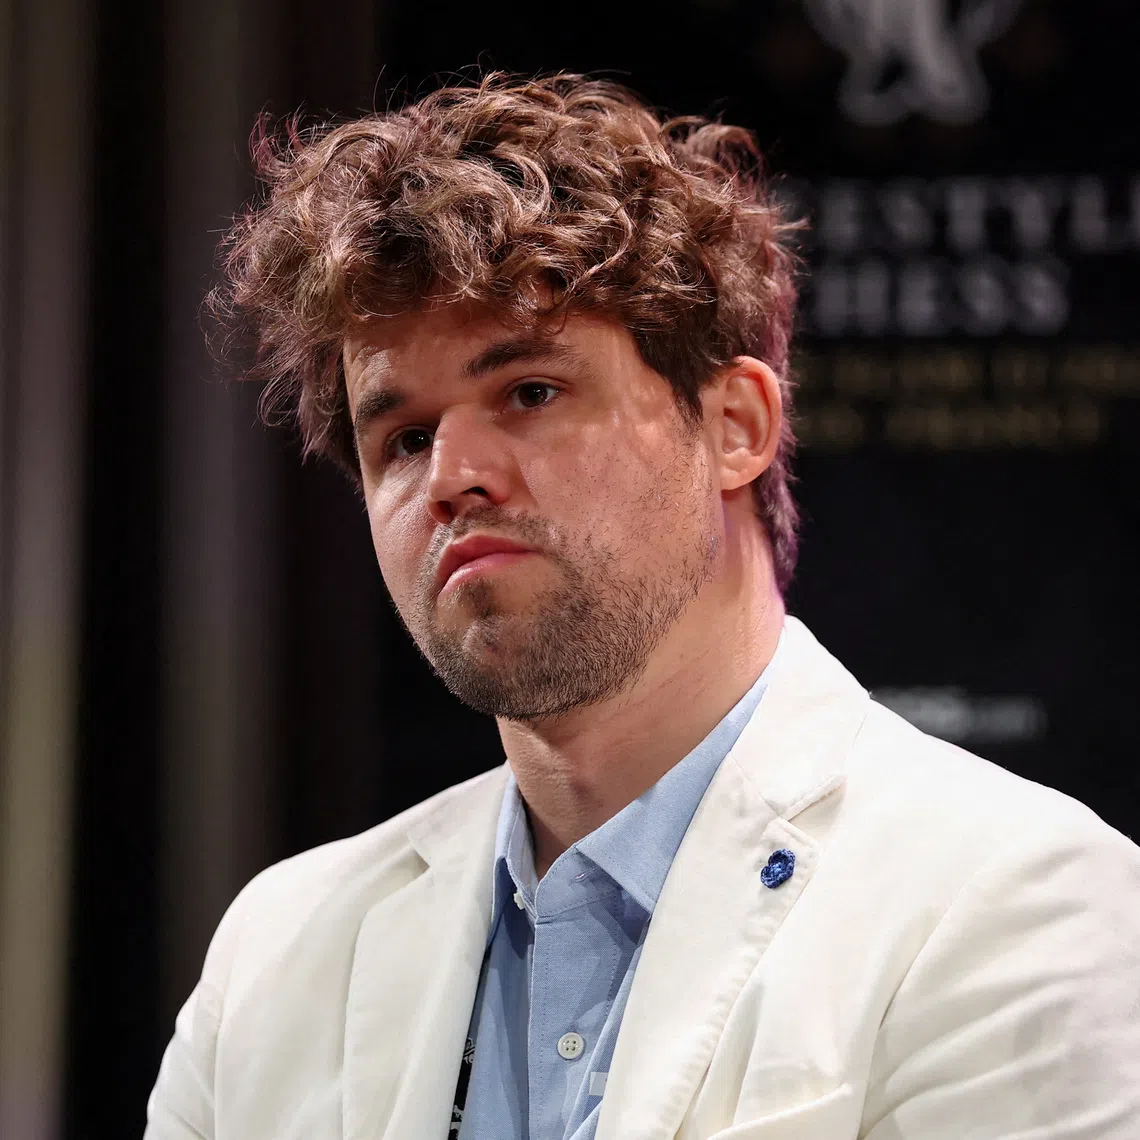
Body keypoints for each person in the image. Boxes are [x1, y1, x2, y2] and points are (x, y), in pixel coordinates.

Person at [145, 73, 1140, 1140]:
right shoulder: (279, 955)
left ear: (735, 424)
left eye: (529, 391)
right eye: (403, 438)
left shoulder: (1019, 903)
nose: (452, 474)